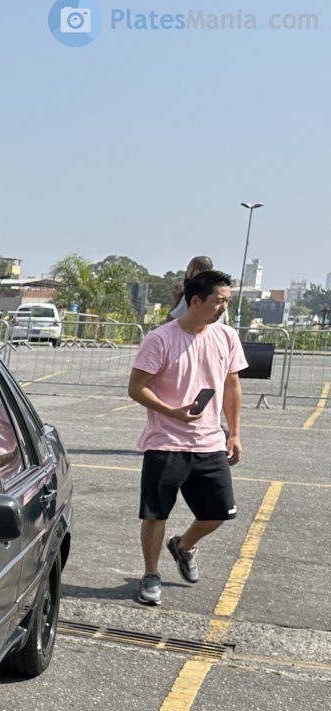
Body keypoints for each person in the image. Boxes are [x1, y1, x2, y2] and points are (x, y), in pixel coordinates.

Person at [128, 269, 245, 607]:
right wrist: (172, 411)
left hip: (209, 443)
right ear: (196, 301)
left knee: (218, 514)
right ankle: (151, 575)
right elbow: (136, 388)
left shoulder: (226, 337)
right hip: (165, 442)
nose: (223, 307)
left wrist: (234, 432)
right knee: (155, 515)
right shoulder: (160, 339)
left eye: (226, 301)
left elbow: (232, 386)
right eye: (218, 301)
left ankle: (183, 546)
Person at [165, 255, 226, 323]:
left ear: (196, 272)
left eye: (188, 269)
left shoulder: (192, 294)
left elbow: (171, 321)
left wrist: (177, 301)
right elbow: (226, 323)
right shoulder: (220, 296)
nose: (186, 273)